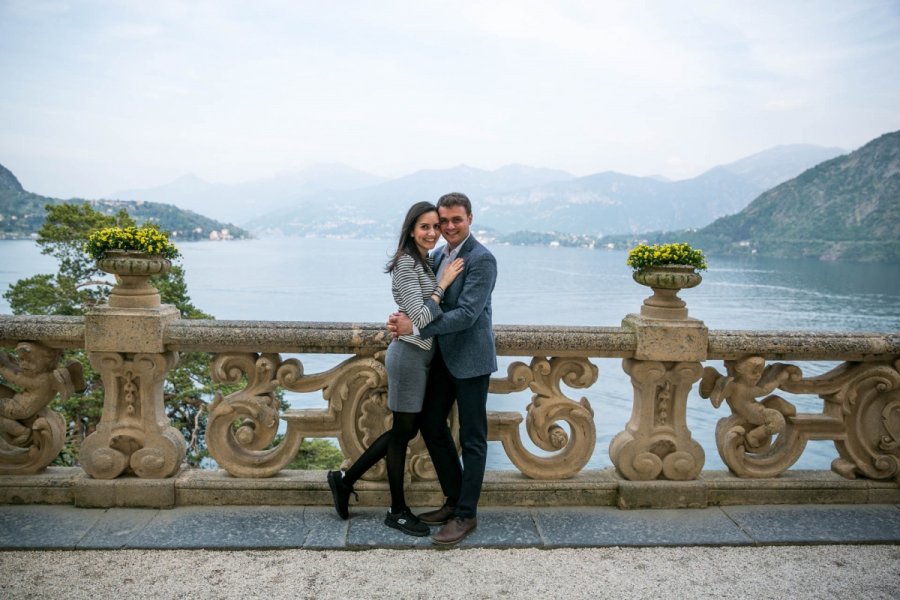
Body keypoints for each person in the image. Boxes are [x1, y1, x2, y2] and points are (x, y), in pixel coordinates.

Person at [326, 201, 463, 537]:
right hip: (408, 358)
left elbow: (417, 313)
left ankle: (346, 482)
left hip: (419, 357)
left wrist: (430, 292)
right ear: (411, 230)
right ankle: (396, 510)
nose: (432, 233)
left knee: (404, 430)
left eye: (435, 227)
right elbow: (422, 317)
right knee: (401, 432)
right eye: (425, 227)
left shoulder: (424, 262)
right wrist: (443, 284)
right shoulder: (406, 264)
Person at [388, 192, 498, 546]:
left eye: (455, 220)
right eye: (442, 222)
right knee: (431, 424)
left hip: (471, 360)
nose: (447, 227)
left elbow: (467, 314)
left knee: (472, 437)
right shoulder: (436, 256)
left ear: (469, 219)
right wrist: (401, 319)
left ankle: (466, 514)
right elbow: (422, 300)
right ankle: (453, 500)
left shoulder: (482, 259)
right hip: (440, 359)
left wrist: (415, 328)